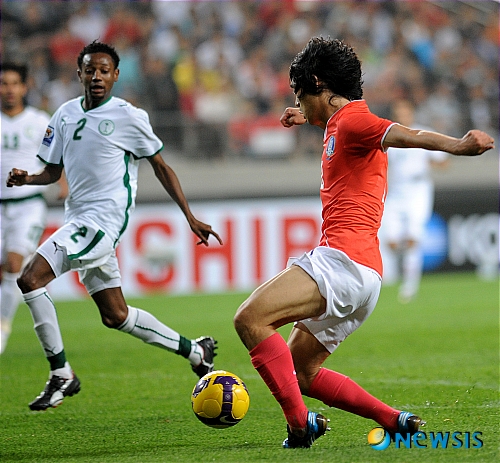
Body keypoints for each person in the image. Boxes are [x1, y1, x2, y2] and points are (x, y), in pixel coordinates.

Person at [233, 37, 494, 449]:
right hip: (365, 277)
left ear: (318, 85)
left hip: (342, 263)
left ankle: (300, 427)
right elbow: (339, 125)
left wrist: (458, 146)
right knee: (301, 372)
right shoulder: (339, 123)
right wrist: (305, 116)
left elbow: (403, 134)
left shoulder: (355, 121)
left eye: (300, 95)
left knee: (249, 319)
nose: (298, 104)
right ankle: (392, 419)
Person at [6, 41, 223, 411]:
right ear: (79, 74)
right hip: (78, 219)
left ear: (116, 75)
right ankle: (195, 351)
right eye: (90, 70)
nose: (97, 77)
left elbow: (161, 166)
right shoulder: (64, 115)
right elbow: (53, 172)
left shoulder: (129, 116)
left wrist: (189, 216)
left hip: (103, 223)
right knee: (116, 315)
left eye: (104, 71)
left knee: (29, 278)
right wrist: (28, 178)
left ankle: (61, 373)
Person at [0, 63, 66, 354]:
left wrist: (63, 183)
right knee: (5, 271)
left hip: (28, 204)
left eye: (14, 83)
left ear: (24, 87)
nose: (9, 89)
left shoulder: (39, 121)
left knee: (15, 264)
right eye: (4, 83)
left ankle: (1, 328)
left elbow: (57, 156)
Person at [380, 99, 449, 303]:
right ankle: (393, 276)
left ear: (412, 113)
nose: (402, 115)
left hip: (418, 191)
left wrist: (426, 163)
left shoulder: (423, 133)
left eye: (405, 111)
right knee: (391, 242)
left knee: (413, 240)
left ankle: (409, 287)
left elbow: (443, 161)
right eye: (398, 112)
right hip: (395, 193)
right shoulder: (389, 136)